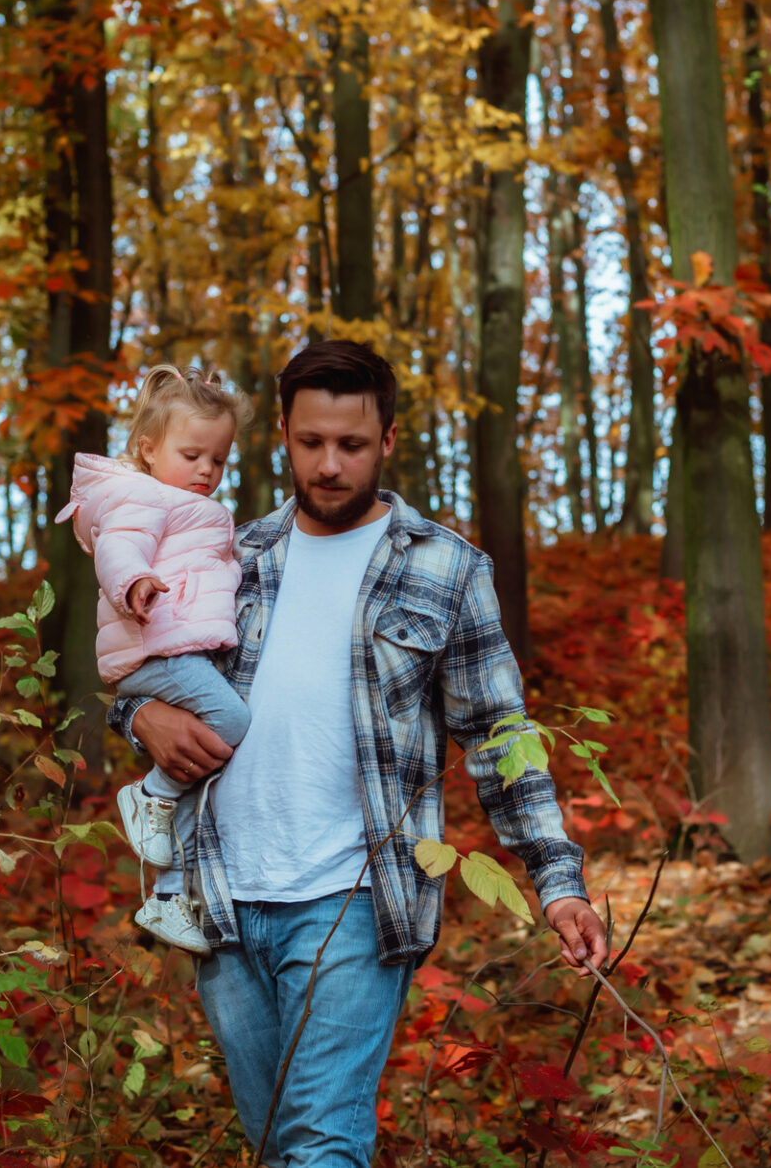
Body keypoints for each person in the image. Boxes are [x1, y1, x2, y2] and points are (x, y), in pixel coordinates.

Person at [108, 339, 609, 1168]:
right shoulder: (233, 554)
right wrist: (143, 720)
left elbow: (500, 738)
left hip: (355, 900)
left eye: (352, 444)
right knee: (276, 1146)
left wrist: (558, 885)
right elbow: (148, 669)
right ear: (282, 433)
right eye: (311, 443)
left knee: (322, 1148)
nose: (330, 465)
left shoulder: (447, 569)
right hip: (224, 896)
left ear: (390, 440)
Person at [56, 366, 253, 953]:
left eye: (218, 461)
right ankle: (150, 794)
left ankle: (169, 897)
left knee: (200, 770)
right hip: (155, 647)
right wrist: (133, 582)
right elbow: (120, 545)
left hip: (176, 647)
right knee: (233, 723)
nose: (205, 471)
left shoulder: (186, 505)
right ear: (147, 448)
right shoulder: (139, 495)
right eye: (192, 454)